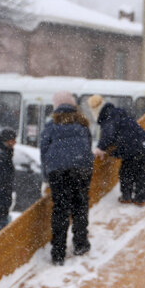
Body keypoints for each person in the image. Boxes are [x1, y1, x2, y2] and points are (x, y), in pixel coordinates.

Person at [40, 92, 94, 266]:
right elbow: (88, 146)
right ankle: (80, 244)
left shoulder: (51, 126)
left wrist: (46, 177)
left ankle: (58, 252)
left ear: (56, 107)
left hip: (58, 170)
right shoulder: (82, 124)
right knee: (80, 205)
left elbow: (44, 151)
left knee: (61, 209)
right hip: (81, 168)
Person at [93, 95, 145, 206]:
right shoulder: (118, 114)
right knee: (140, 172)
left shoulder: (109, 118)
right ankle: (140, 198)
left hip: (134, 149)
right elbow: (123, 136)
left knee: (126, 172)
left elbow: (108, 135)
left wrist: (100, 148)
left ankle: (126, 196)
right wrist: (115, 152)